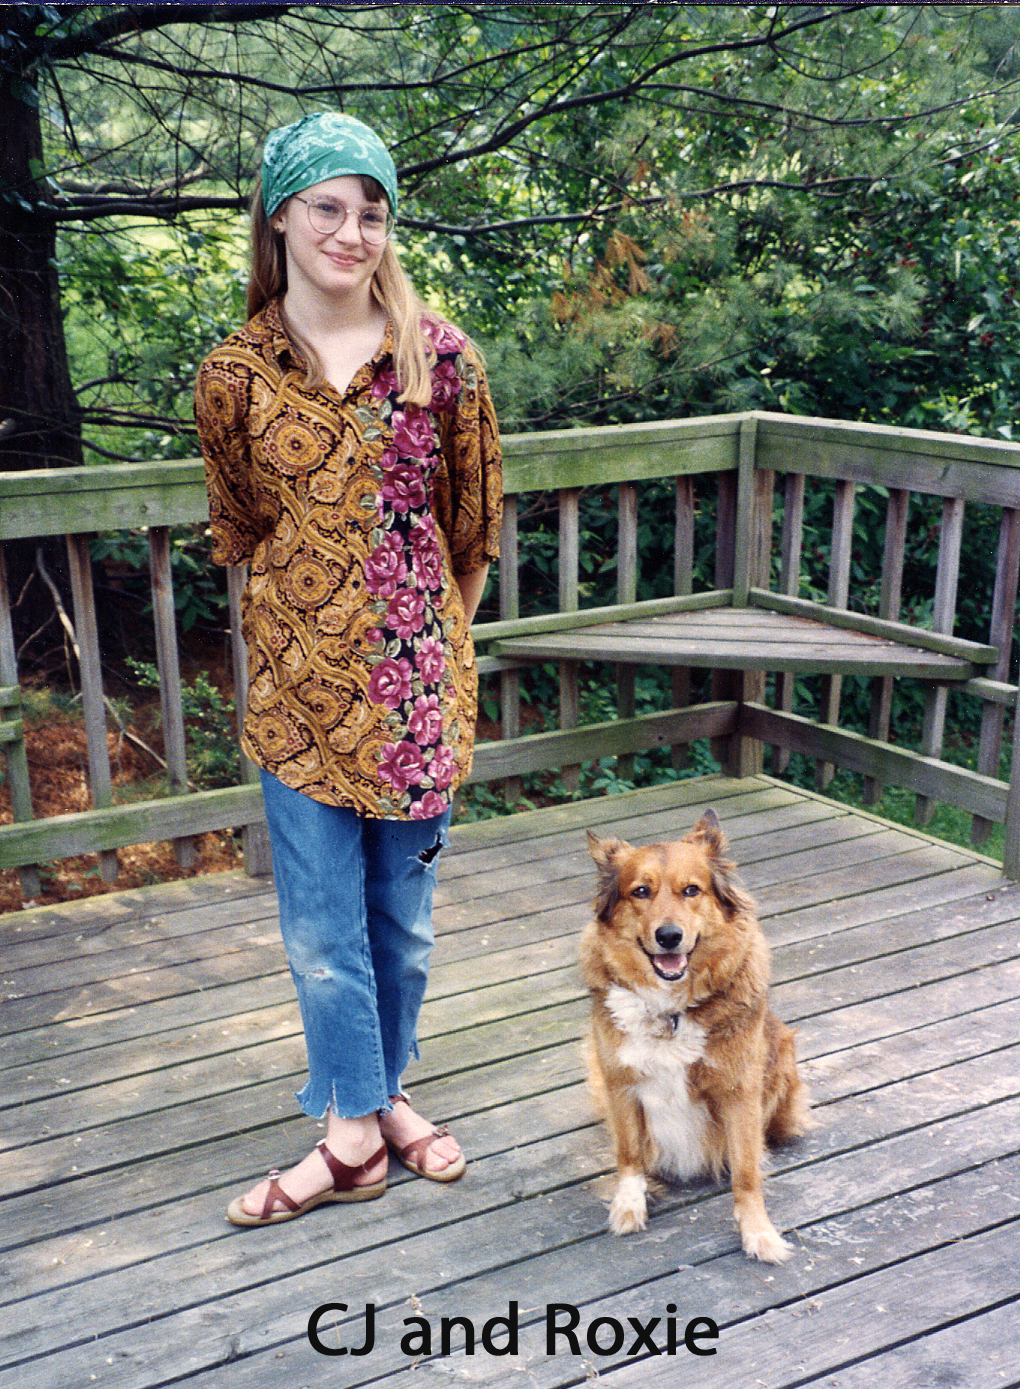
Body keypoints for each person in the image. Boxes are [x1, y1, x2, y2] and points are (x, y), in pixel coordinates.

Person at [194, 112, 502, 1227]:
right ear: (280, 214)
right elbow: (241, 534)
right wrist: (310, 646)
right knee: (323, 932)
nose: (352, 230)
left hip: (419, 699)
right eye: (327, 204)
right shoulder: (233, 374)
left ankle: (371, 1108)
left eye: (371, 209)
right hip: (294, 702)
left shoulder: (444, 360)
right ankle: (357, 1131)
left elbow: (470, 535)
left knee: (399, 925)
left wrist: (423, 651)